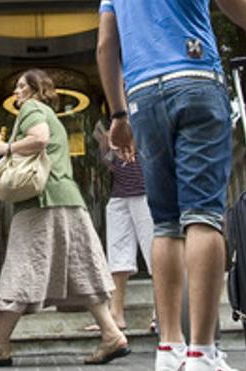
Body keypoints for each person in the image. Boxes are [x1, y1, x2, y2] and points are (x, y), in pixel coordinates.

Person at [96, 0, 246, 371]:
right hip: (194, 85)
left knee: (164, 223)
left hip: (142, 100)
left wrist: (119, 117)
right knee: (202, 216)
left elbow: (104, 49)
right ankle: (202, 351)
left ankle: (170, 347)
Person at [0, 69, 129, 367]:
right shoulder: (50, 114)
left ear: (35, 90)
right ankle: (111, 334)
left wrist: (6, 149)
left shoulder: (31, 109)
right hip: (67, 200)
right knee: (80, 270)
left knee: (20, 269)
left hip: (42, 202)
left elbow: (38, 140)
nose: (16, 92)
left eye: (21, 86)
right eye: (15, 87)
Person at [84, 121, 154, 334]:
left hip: (146, 190)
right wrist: (105, 143)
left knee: (156, 252)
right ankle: (115, 314)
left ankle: (161, 313)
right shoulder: (117, 117)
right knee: (117, 254)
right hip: (120, 192)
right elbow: (110, 163)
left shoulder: (139, 108)